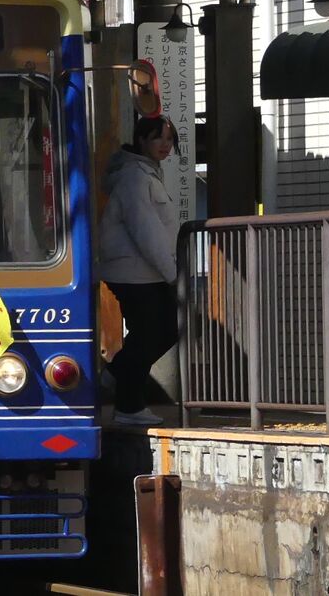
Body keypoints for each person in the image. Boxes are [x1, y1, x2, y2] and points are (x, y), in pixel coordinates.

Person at [99, 115, 181, 426]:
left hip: (143, 272)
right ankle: (128, 406)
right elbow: (146, 231)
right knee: (151, 334)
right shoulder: (135, 177)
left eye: (169, 139)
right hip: (133, 272)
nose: (165, 145)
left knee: (160, 331)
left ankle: (113, 376)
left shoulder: (146, 173)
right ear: (142, 140)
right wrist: (172, 274)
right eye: (158, 137)